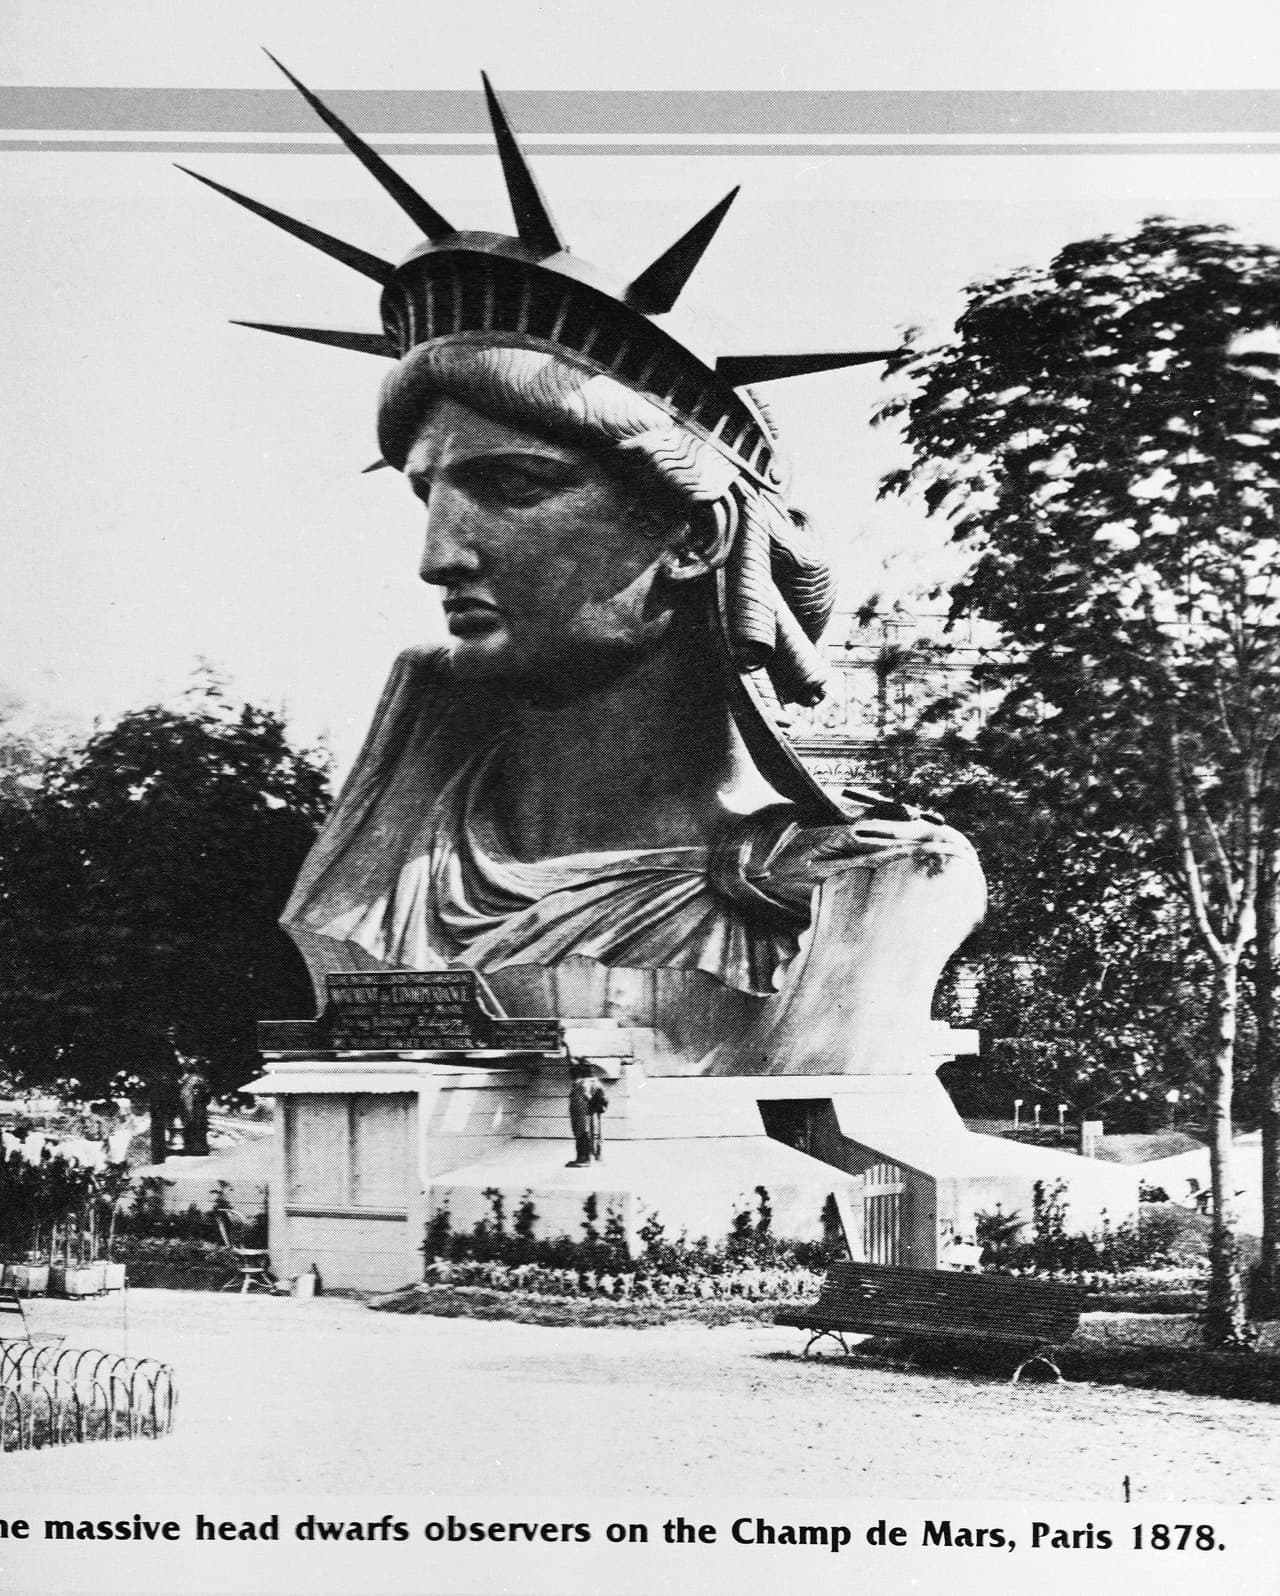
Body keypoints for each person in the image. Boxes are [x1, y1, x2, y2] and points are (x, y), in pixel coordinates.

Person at [190, 63, 984, 1076]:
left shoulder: (861, 886)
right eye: (424, 494)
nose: (438, 557)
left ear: (690, 540)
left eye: (512, 486)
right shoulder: (378, 866)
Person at [566, 1059, 608, 1168]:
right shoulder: (595, 1082)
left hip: (583, 1116)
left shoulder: (582, 1084)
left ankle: (584, 1158)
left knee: (583, 1134)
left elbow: (579, 1103)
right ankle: (596, 1156)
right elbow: (604, 1100)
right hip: (593, 1116)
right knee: (595, 1135)